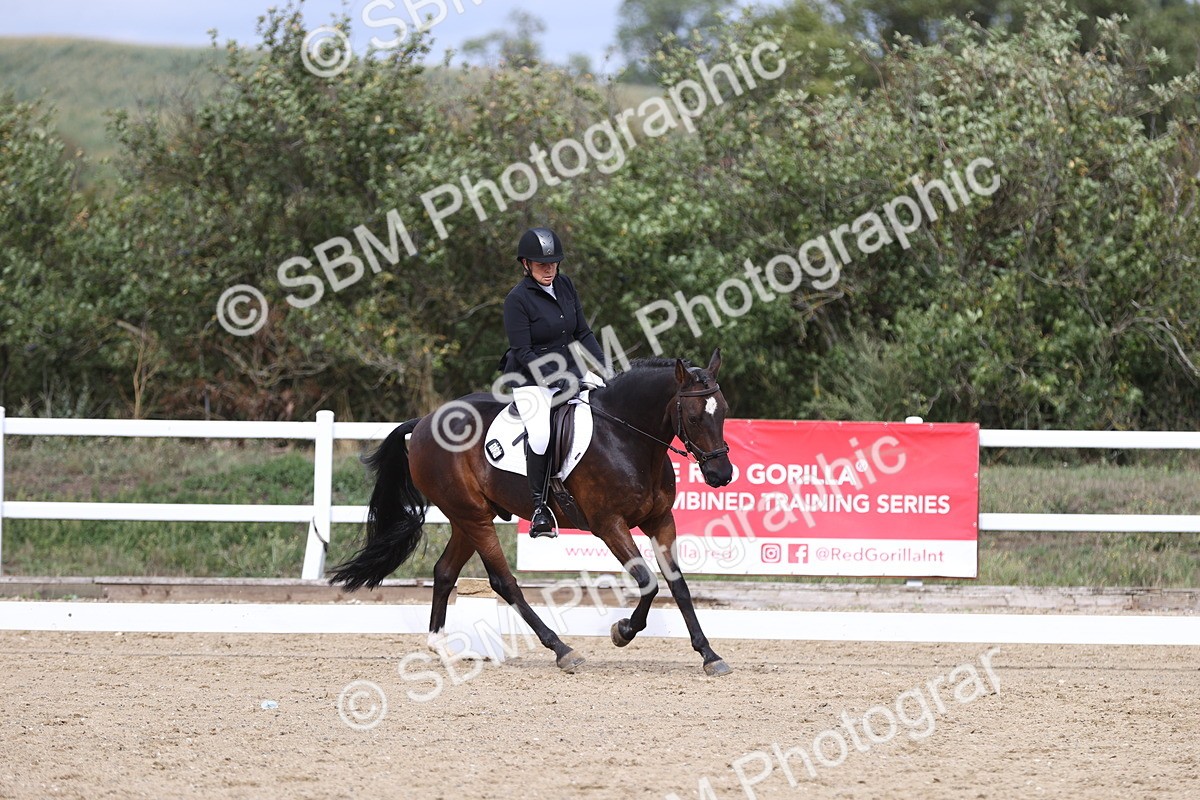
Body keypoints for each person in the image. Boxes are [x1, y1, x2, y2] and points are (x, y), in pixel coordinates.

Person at [499, 227, 609, 537]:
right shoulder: (516, 300)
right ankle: (539, 508)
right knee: (541, 435)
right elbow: (523, 351)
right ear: (526, 264)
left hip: (570, 371)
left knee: (607, 404)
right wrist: (553, 378)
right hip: (531, 379)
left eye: (553, 264)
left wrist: (605, 369)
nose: (549, 270)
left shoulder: (566, 286)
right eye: (541, 265)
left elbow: (582, 333)